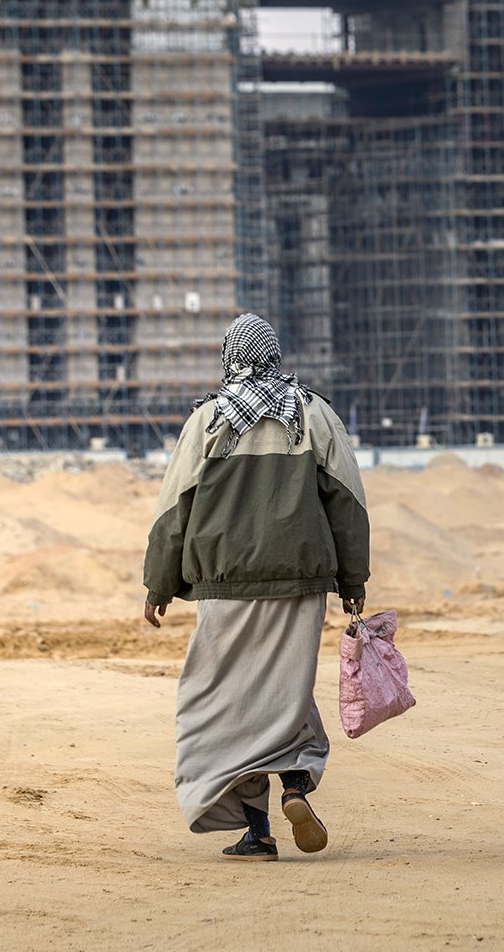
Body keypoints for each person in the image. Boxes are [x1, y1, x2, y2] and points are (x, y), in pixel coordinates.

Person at [141, 313, 371, 862]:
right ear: (275, 355)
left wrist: (158, 584)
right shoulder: (313, 413)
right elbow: (348, 500)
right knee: (287, 690)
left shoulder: (208, 420)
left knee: (228, 701)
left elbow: (174, 508)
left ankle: (258, 832)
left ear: (229, 358)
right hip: (300, 582)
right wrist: (352, 579)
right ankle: (294, 786)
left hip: (224, 587)